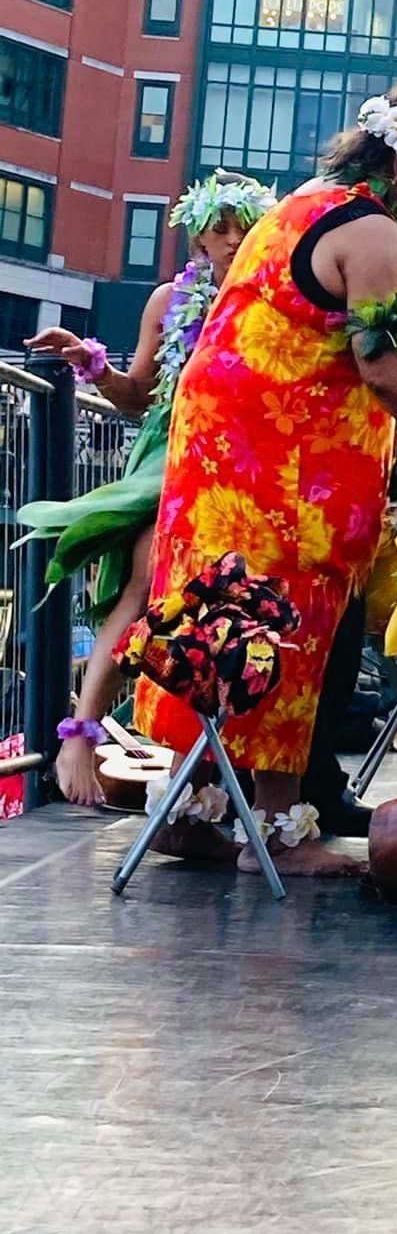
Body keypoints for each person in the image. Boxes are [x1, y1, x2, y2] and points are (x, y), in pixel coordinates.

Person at [133, 74, 397, 877]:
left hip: (219, 449)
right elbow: (383, 366)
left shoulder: (303, 204)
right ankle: (279, 828)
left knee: (218, 613)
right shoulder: (376, 234)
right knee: (288, 619)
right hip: (289, 461)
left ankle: (195, 805)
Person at [19, 171, 276, 807]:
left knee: (234, 602)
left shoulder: (271, 303)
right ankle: (78, 734)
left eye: (241, 233)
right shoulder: (170, 300)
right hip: (171, 449)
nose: (228, 246)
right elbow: (137, 396)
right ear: (198, 244)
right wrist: (88, 362)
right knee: (140, 581)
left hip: (242, 456)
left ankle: (219, 776)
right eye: (217, 235)